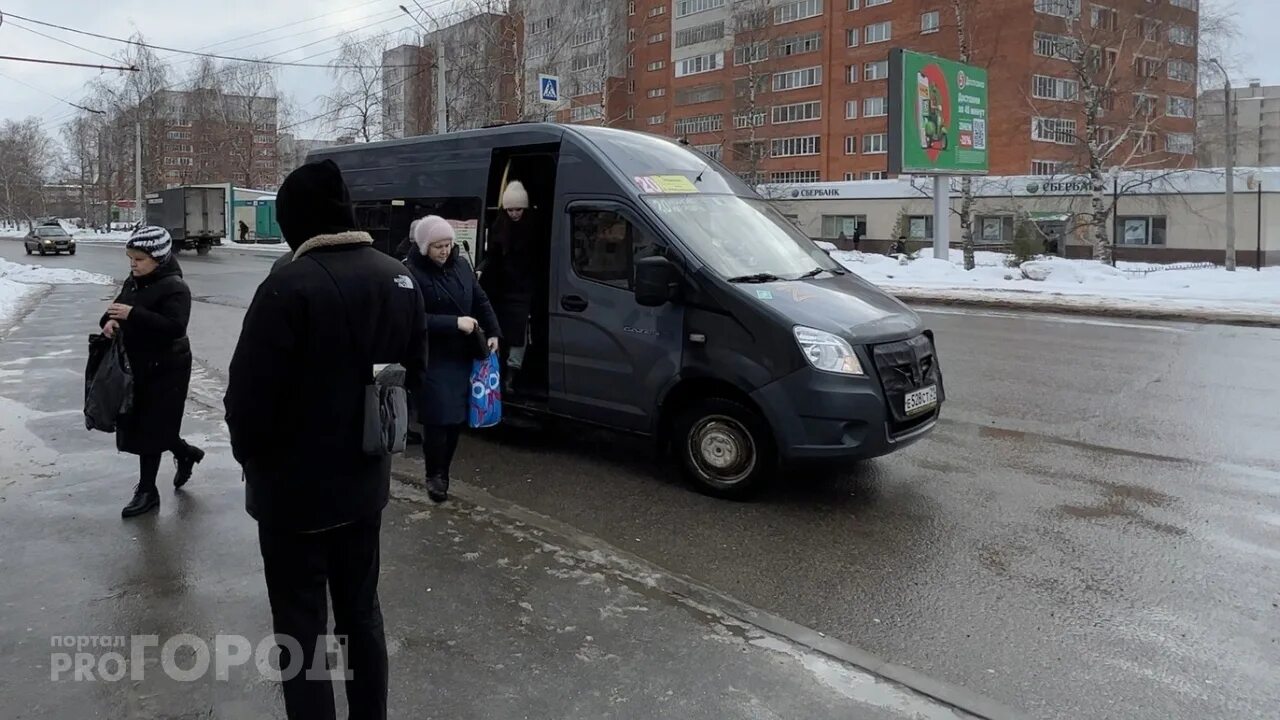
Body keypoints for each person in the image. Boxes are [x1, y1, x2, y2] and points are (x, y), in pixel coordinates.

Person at [223, 159, 426, 720]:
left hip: (293, 498)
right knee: (362, 614)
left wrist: (253, 460)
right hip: (365, 485)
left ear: (297, 221)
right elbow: (415, 375)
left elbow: (247, 400)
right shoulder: (399, 276)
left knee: (300, 627)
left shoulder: (288, 285)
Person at [101, 226, 204, 518]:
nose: (133, 264)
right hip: (137, 364)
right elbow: (114, 311)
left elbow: (175, 327)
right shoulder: (134, 282)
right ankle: (187, 454)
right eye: (130, 258)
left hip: (168, 366)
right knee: (147, 423)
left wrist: (134, 315)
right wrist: (109, 323)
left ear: (158, 258)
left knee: (152, 425)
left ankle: (147, 491)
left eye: (139, 259)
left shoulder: (175, 287)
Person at [404, 215, 500, 503]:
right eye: (437, 247)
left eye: (447, 245)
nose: (444, 251)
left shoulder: (460, 265)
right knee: (437, 418)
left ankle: (444, 470)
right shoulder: (411, 273)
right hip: (431, 356)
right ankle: (435, 475)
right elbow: (412, 318)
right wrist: (453, 323)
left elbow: (480, 299)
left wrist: (493, 330)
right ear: (424, 247)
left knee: (456, 419)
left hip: (461, 355)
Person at [478, 181, 538, 393]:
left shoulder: (534, 229)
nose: (514, 213)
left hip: (523, 291)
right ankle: (503, 376)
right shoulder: (499, 227)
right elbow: (492, 255)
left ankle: (512, 377)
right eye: (510, 209)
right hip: (502, 290)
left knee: (519, 337)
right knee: (502, 335)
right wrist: (482, 269)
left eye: (518, 209)